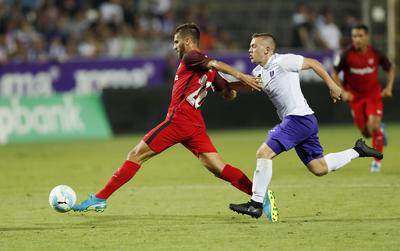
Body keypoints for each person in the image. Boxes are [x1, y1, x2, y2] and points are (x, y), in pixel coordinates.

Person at [72, 23, 262, 212]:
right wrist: (238, 85)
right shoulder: (210, 73)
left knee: (135, 155)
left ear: (188, 41)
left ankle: (100, 198)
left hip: (179, 120)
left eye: (176, 41)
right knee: (218, 168)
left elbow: (214, 63)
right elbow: (229, 94)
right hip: (195, 125)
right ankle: (259, 198)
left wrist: (241, 76)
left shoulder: (191, 57)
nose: (174, 46)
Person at [228, 33, 383, 219]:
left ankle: (256, 204)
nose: (249, 50)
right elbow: (248, 85)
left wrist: (332, 85)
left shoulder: (283, 61)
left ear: (267, 50)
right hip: (304, 121)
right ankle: (358, 151)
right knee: (319, 168)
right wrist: (223, 86)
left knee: (263, 153)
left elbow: (314, 64)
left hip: (298, 119)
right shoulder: (258, 72)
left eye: (254, 46)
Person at [331, 24, 395, 172]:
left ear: (367, 37)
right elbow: (334, 72)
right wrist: (342, 91)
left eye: (360, 36)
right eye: (354, 36)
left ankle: (376, 163)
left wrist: (389, 87)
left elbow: (390, 67)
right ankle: (381, 131)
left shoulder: (376, 54)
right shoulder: (345, 55)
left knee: (373, 126)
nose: (357, 39)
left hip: (373, 96)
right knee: (365, 132)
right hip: (355, 98)